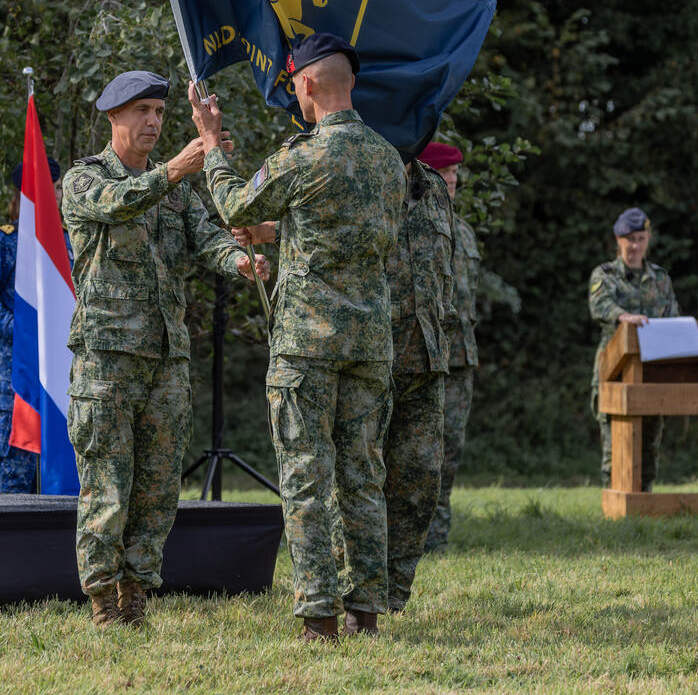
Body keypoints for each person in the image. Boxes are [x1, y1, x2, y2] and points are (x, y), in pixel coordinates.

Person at [194, 33, 406, 641]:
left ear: (307, 83)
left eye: (294, 84)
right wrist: (282, 234)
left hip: (308, 344)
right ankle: (365, 610)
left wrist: (211, 142)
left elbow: (233, 205)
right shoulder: (387, 158)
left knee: (306, 475)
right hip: (368, 343)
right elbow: (349, 236)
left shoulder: (306, 156)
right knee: (363, 475)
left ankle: (318, 614)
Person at [62, 70, 269, 628]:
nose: (153, 121)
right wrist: (178, 168)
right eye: (142, 111)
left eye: (159, 111)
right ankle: (103, 598)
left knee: (157, 486)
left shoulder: (174, 193)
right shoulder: (85, 180)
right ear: (113, 117)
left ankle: (137, 594)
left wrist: (243, 261)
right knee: (108, 480)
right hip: (107, 357)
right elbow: (116, 203)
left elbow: (210, 240)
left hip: (166, 359)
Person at [380, 142, 458, 611]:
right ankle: (357, 591)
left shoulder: (434, 189)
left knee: (419, 481)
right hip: (372, 356)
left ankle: (393, 593)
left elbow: (442, 275)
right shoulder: (364, 175)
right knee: (360, 480)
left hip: (427, 359)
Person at [0, 160, 66, 494]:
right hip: (14, 387)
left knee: (65, 486)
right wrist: (21, 330)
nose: (60, 195)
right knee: (15, 487)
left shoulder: (68, 244)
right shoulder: (6, 242)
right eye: (54, 189)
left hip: (61, 384)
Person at [588, 207, 680, 491]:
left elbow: (673, 316)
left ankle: (645, 502)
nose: (636, 245)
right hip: (615, 369)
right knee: (615, 445)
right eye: (630, 239)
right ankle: (614, 505)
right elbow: (600, 305)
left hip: (652, 369)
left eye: (641, 238)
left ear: (648, 238)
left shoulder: (661, 278)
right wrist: (622, 316)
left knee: (649, 442)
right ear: (618, 240)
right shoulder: (605, 274)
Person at [424, 142, 479, 553]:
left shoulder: (464, 232)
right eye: (445, 177)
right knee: (416, 450)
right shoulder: (415, 224)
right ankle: (408, 536)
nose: (452, 184)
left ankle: (437, 539)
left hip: (460, 356)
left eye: (455, 179)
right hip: (423, 354)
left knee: (450, 448)